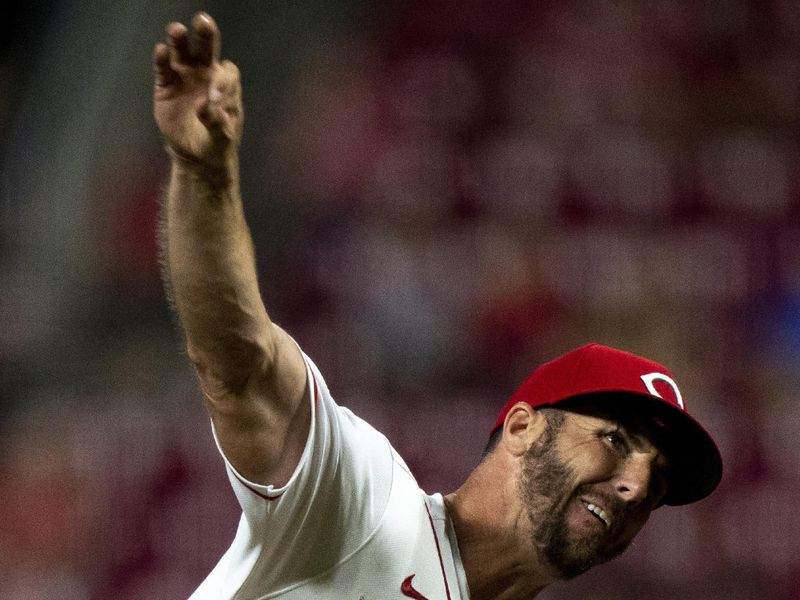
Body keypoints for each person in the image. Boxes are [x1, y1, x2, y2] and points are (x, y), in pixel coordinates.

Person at [153, 13, 723, 600]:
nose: (634, 486)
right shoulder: (369, 509)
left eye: (655, 485)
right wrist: (204, 177)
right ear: (524, 426)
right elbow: (239, 361)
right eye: (615, 441)